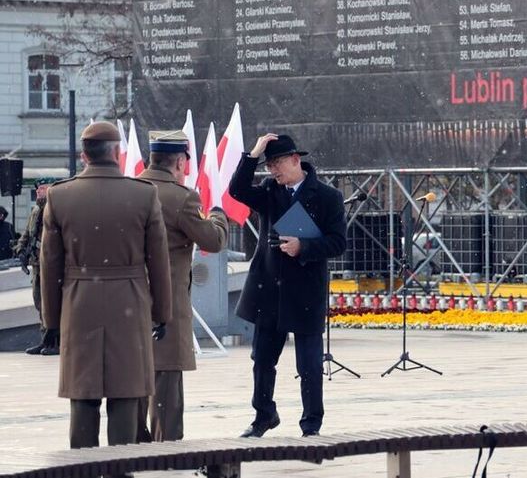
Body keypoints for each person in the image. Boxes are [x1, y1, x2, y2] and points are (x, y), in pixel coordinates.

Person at [39, 121, 172, 455]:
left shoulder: (60, 195)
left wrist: (52, 322)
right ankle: (120, 466)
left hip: (79, 303)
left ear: (84, 155)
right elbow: (159, 263)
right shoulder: (143, 194)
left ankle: (82, 467)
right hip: (129, 301)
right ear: (117, 152)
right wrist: (162, 313)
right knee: (126, 396)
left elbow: (49, 265)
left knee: (82, 396)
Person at [229, 133, 346, 438]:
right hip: (269, 288)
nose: (274, 171)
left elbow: (338, 243)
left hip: (305, 291)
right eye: (269, 166)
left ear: (296, 160)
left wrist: (303, 247)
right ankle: (263, 415)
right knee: (262, 360)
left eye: (278, 163)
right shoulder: (270, 191)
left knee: (309, 365)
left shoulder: (327, 196)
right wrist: (252, 153)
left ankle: (311, 425)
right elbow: (237, 190)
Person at [136, 130, 230, 443]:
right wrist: (217, 215)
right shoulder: (182, 197)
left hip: (129, 302)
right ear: (179, 162)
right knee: (165, 388)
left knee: (132, 380)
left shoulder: (131, 190)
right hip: (168, 304)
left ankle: (132, 445)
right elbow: (212, 241)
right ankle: (167, 454)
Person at [17, 181, 58, 355]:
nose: (38, 191)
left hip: (50, 263)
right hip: (36, 262)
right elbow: (27, 232)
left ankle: (55, 341)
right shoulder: (35, 211)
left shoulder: (55, 209)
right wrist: (21, 249)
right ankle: (44, 340)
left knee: (52, 301)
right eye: (38, 189)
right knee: (39, 301)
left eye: (42, 188)